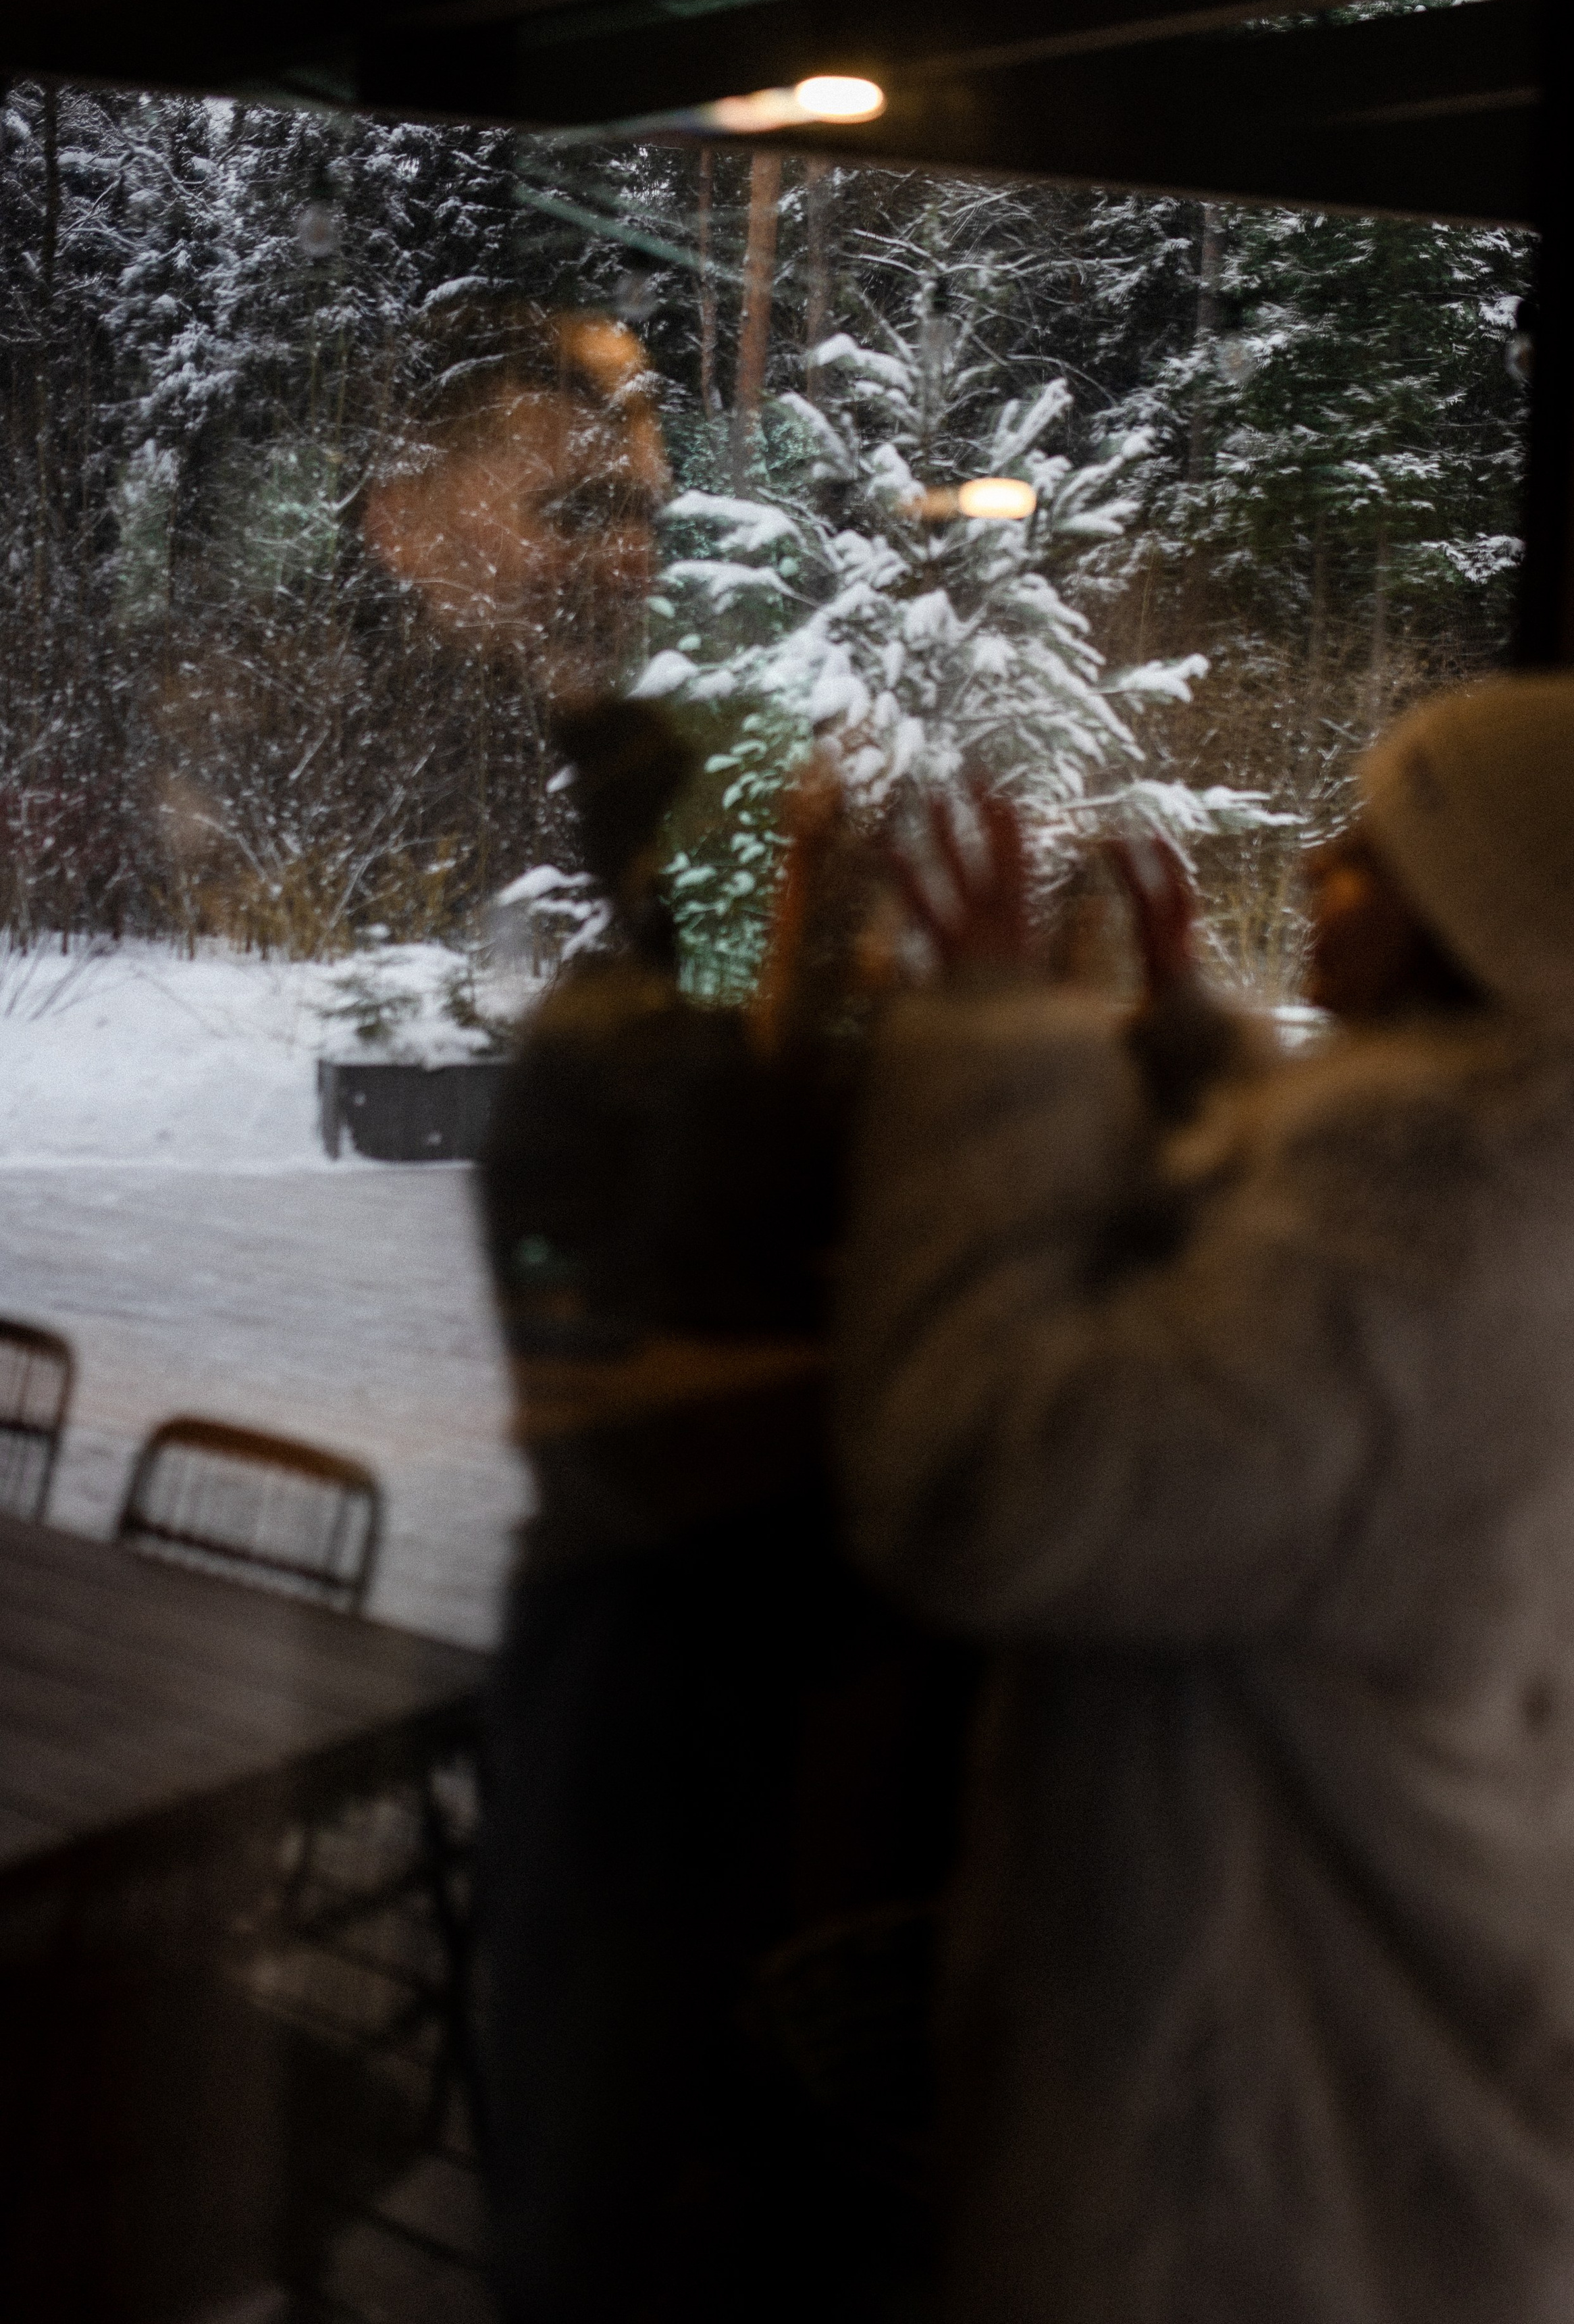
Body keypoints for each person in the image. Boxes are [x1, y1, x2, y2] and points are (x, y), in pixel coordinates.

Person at [837, 673, 1574, 2324]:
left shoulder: (1434, 1237)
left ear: (1481, 921)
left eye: (1373, 853)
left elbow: (990, 1489)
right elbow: (1299, 1420)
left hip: (1312, 2175)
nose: (1316, 867)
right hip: (1484, 2051)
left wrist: (989, 1059)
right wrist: (1195, 1064)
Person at [478, 704, 965, 2324]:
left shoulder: (637, 1037)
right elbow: (611, 1373)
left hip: (650, 1630)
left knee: (615, 2061)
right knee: (636, 2073)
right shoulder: (624, 1058)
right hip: (672, 1639)